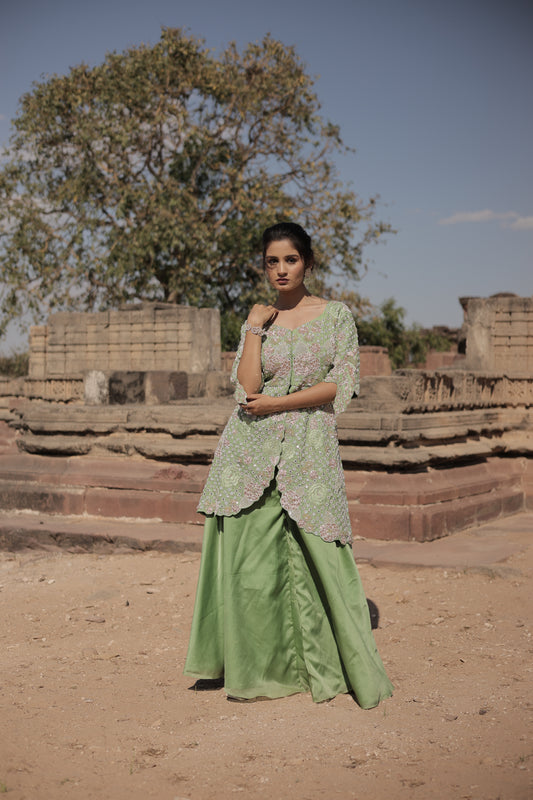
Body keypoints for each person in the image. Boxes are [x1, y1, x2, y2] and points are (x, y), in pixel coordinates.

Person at [184, 222, 393, 707]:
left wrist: (280, 405)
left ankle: (337, 663)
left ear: (309, 263)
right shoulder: (260, 320)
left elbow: (340, 383)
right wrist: (255, 327)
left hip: (309, 448)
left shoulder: (336, 315)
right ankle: (253, 668)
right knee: (248, 562)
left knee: (321, 553)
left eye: (290, 260)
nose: (281, 269)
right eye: (272, 261)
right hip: (248, 449)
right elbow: (247, 384)